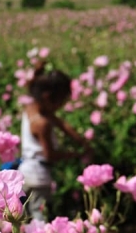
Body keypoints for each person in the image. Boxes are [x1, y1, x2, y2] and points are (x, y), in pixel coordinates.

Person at [18, 61, 92, 221]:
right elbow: (50, 155)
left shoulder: (32, 108)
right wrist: (76, 154)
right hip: (39, 176)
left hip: (25, 172)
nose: (61, 106)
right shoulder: (42, 123)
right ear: (47, 98)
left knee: (22, 215)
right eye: (61, 102)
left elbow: (62, 124)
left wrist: (80, 140)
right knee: (39, 217)